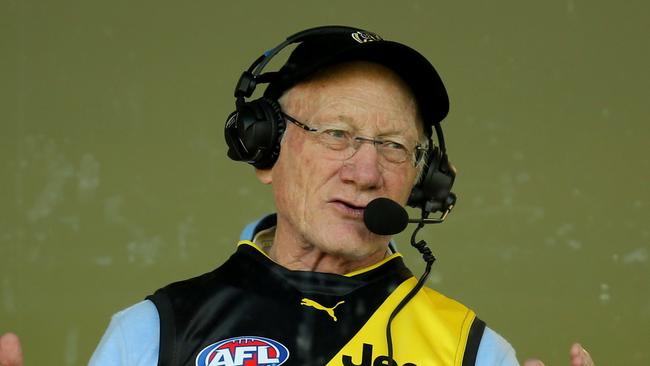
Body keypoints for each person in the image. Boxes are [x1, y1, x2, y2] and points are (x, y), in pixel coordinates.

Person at [0, 26, 595, 366]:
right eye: (337, 134)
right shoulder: (152, 335)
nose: (366, 171)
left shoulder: (477, 352)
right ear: (265, 151)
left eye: (394, 146)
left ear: (425, 178)